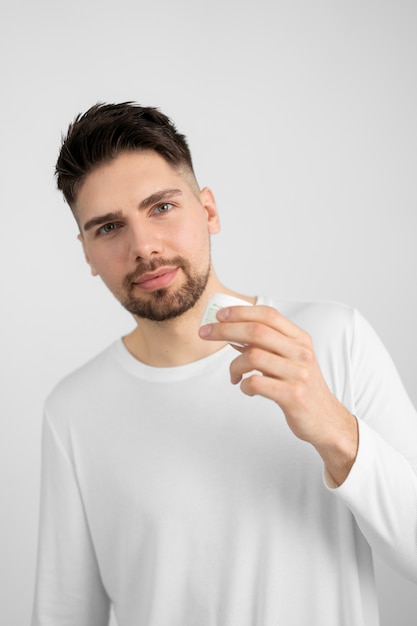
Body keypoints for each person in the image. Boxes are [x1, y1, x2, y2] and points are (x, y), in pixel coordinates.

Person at [31, 102, 417, 626]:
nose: (143, 247)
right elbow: (63, 614)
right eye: (108, 228)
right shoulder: (73, 410)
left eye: (161, 207)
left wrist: (334, 428)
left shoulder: (333, 338)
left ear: (208, 211)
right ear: (86, 252)